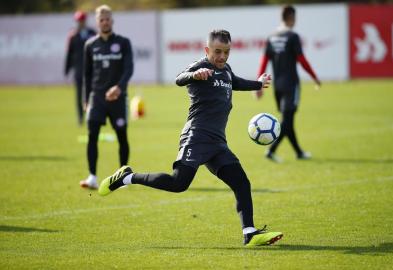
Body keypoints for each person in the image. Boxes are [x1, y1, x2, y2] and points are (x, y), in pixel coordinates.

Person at [98, 29, 283, 247]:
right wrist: (194, 75)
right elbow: (179, 79)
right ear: (207, 50)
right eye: (217, 52)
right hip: (195, 137)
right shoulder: (200, 67)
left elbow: (234, 81)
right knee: (178, 183)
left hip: (217, 143)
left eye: (226, 52)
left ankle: (249, 233)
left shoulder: (226, 70)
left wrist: (258, 83)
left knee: (241, 183)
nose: (222, 57)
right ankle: (126, 177)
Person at [256, 5, 321, 163]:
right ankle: (271, 151)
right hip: (291, 85)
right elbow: (302, 60)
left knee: (288, 119)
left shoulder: (271, 37)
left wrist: (258, 84)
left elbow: (264, 61)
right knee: (287, 120)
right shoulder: (293, 36)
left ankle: (299, 152)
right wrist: (314, 77)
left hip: (277, 86)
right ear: (291, 17)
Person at [79, 5, 134, 189]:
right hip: (97, 99)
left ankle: (123, 177)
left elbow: (129, 69)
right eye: (101, 19)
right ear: (97, 22)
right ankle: (92, 177)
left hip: (117, 99)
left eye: (108, 19)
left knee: (122, 136)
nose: (105, 22)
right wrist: (86, 99)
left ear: (112, 20)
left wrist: (119, 88)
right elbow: (87, 75)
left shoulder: (123, 42)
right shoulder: (90, 45)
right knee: (92, 135)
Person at [64, 11, 96, 125]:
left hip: (92, 70)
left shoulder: (92, 33)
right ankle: (80, 118)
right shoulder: (72, 35)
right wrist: (67, 70)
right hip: (78, 70)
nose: (80, 22)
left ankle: (92, 116)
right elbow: (69, 54)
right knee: (79, 95)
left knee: (92, 93)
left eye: (82, 20)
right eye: (78, 21)